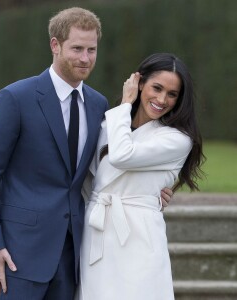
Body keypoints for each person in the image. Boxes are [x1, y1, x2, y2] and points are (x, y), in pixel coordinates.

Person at [0, 7, 173, 300]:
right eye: (77, 48)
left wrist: (150, 189)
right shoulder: (15, 98)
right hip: (20, 251)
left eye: (91, 50)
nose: (85, 58)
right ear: (55, 45)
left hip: (76, 253)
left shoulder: (97, 103)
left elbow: (104, 167)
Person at [76, 53, 205, 300]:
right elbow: (87, 181)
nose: (161, 99)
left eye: (171, 94)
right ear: (140, 82)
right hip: (96, 232)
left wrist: (126, 103)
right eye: (156, 88)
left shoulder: (177, 139)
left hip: (138, 236)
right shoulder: (107, 125)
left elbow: (122, 156)